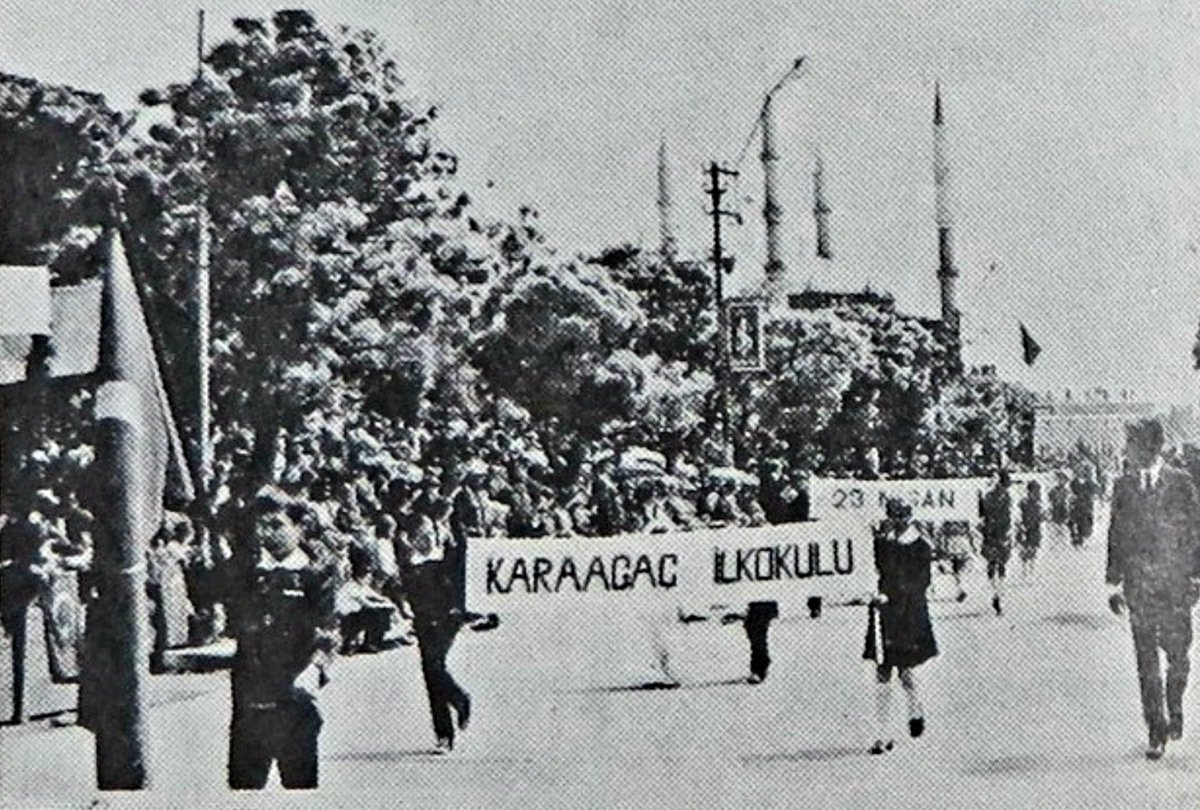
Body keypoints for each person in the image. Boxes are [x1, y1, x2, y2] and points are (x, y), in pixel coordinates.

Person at [225, 488, 338, 790]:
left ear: (299, 527)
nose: (267, 534)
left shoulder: (316, 572)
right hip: (251, 696)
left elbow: (327, 628)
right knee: (244, 788)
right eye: (262, 526)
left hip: (294, 693)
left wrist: (316, 669)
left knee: (299, 785)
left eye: (277, 526)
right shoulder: (249, 569)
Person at [1106, 419, 1200, 760]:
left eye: (1130, 445)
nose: (1125, 452)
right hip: (1139, 588)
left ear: (1148, 447)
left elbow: (1195, 531)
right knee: (1146, 662)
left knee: (1179, 657)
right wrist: (1115, 583)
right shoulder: (1123, 486)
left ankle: (1175, 705)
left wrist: (1197, 577)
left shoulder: (1181, 483)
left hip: (1176, 587)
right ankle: (1156, 729)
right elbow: (1116, 534)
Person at [395, 492, 471, 754]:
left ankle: (458, 703)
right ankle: (444, 731)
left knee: (434, 667)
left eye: (428, 534)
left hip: (446, 619)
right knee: (431, 673)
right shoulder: (409, 564)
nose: (425, 540)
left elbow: (460, 556)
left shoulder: (445, 559)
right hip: (424, 622)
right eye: (420, 536)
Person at [864, 498, 937, 754]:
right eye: (893, 517)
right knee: (882, 671)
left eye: (901, 517)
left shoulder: (920, 547)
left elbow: (920, 583)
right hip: (884, 613)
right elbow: (872, 569)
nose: (896, 522)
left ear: (908, 518)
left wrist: (893, 596)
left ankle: (915, 708)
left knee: (905, 672)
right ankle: (882, 735)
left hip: (907, 614)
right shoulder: (883, 543)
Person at [978, 470, 1014, 616]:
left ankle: (999, 592)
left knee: (1001, 564)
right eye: (990, 477)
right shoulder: (986, 495)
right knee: (992, 564)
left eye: (994, 477)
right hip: (990, 533)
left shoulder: (1005, 495)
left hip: (1001, 532)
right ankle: (996, 592)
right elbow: (981, 513)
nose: (991, 480)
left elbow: (1010, 515)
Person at [1017, 480, 1043, 580]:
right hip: (1025, 529)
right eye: (1034, 490)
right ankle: (1024, 572)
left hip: (1035, 529)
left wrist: (1042, 517)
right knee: (1025, 551)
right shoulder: (1023, 502)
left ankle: (1032, 571)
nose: (1036, 493)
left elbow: (1040, 517)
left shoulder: (1038, 503)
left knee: (1033, 550)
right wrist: (1020, 526)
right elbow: (1019, 515)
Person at [1069, 467, 1097, 548]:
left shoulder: (1088, 483)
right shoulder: (1081, 483)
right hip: (1082, 507)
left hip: (1083, 507)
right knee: (1081, 523)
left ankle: (1079, 539)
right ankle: (1079, 539)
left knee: (1082, 523)